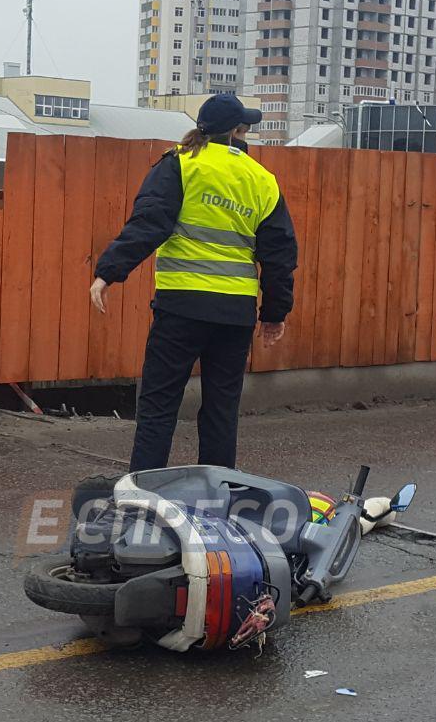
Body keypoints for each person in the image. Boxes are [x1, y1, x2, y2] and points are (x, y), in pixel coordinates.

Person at [89, 93, 298, 472]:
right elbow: (280, 253)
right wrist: (274, 313)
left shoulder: (180, 165)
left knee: (158, 405)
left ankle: (145, 494)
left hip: (181, 308)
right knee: (221, 410)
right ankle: (216, 500)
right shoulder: (262, 180)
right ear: (236, 132)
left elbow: (149, 223)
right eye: (245, 126)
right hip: (234, 313)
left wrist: (108, 272)